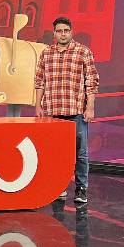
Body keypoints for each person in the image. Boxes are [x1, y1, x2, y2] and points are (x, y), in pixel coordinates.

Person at [34, 16, 98, 206]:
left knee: (80, 153)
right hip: (52, 110)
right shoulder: (46, 53)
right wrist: (38, 105)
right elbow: (39, 81)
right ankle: (59, 186)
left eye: (66, 31)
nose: (62, 34)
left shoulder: (83, 52)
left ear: (71, 32)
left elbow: (91, 81)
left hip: (76, 110)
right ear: (54, 33)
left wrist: (90, 107)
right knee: (55, 151)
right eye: (59, 31)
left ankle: (81, 188)